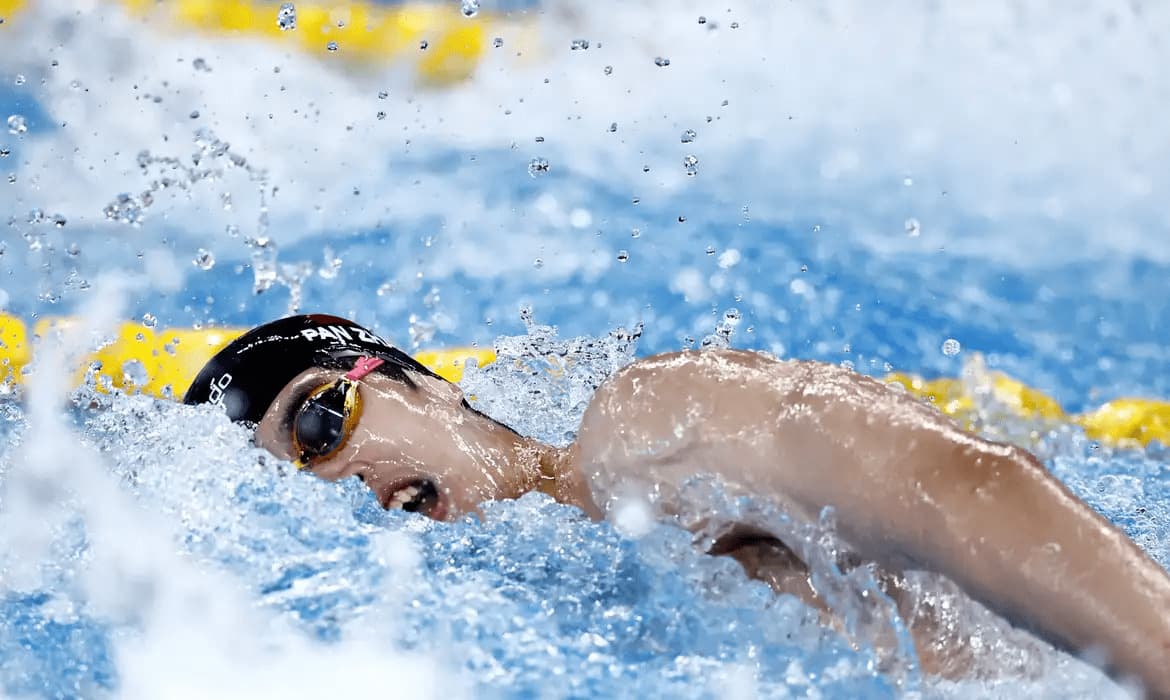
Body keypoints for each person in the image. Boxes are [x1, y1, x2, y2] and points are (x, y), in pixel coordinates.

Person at [184, 313, 1170, 697]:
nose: (334, 479)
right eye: (294, 480)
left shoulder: (643, 436)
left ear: (418, 382)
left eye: (322, 426)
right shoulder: (512, 634)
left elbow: (965, 486)